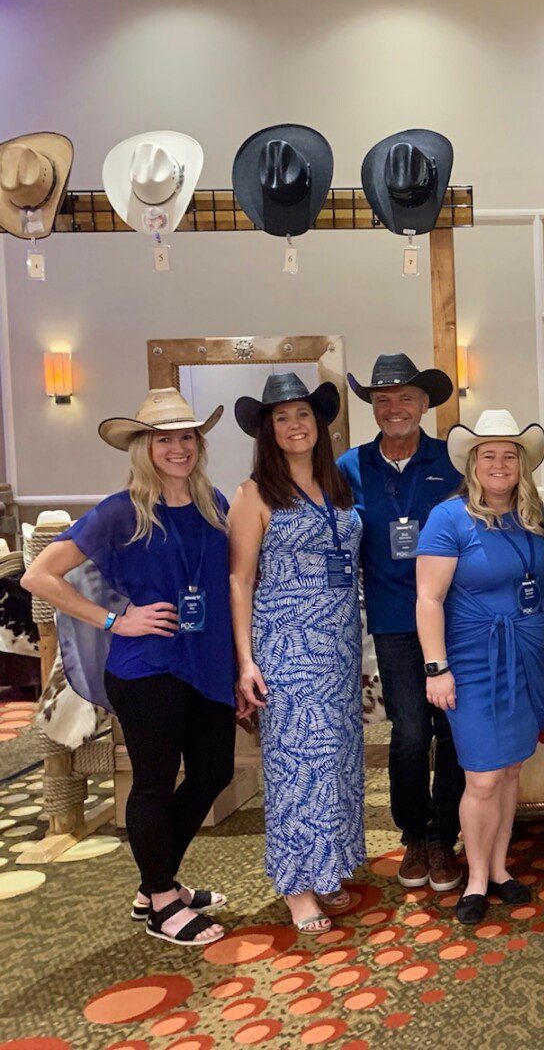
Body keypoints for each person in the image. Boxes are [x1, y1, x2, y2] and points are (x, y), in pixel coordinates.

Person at [23, 389, 234, 946]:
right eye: (165, 439)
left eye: (187, 436)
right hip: (147, 666)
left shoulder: (214, 502)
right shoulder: (120, 510)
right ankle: (163, 901)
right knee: (155, 783)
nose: (179, 448)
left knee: (215, 772)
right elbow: (39, 577)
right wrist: (116, 620)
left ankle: (154, 881)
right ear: (144, 447)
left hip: (209, 660)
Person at [229, 374, 365, 935]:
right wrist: (245, 661)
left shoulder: (339, 486)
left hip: (338, 645)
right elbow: (240, 580)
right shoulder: (255, 492)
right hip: (285, 646)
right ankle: (295, 885)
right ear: (268, 431)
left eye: (303, 415)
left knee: (334, 762)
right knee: (295, 765)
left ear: (319, 424)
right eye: (282, 418)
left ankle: (327, 866)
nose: (295, 426)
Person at [416, 410, 544, 925]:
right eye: (489, 455)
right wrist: (436, 669)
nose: (499, 464)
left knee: (512, 767)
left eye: (509, 455)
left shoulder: (533, 516)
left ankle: (499, 868)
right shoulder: (449, 518)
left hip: (526, 656)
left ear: (522, 464)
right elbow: (428, 599)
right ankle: (474, 878)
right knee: (482, 777)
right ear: (473, 464)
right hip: (472, 660)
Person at [338, 353, 465, 894]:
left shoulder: (452, 459)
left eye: (406, 399)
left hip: (456, 618)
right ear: (372, 407)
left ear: (425, 404)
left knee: (454, 732)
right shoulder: (348, 467)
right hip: (393, 623)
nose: (395, 409)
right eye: (383, 400)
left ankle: (446, 836)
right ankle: (415, 834)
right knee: (411, 733)